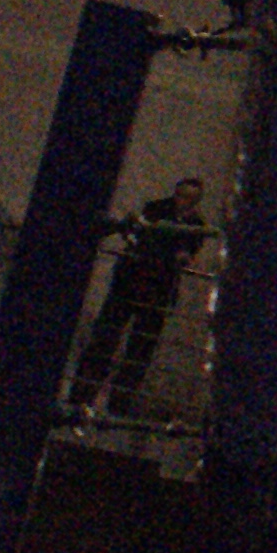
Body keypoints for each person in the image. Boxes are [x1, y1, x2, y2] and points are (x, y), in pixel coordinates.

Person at [67, 176, 211, 419]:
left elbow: (185, 252)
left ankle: (117, 404)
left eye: (187, 197)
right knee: (105, 339)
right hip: (132, 281)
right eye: (180, 194)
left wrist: (178, 255)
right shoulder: (158, 209)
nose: (181, 201)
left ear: (195, 201)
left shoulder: (195, 224)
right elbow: (147, 239)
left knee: (139, 350)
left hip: (157, 289)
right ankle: (82, 395)